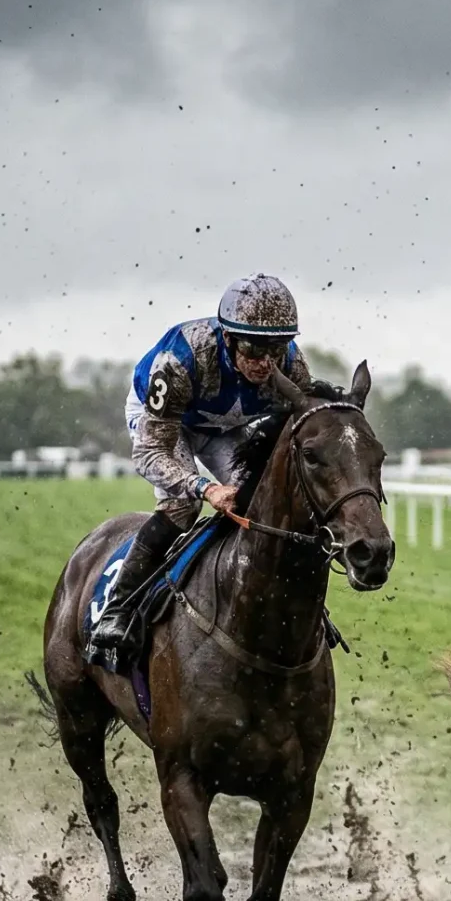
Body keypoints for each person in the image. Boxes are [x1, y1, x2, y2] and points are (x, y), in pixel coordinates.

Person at [86, 273, 343, 664]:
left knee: (262, 503)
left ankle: (303, 610)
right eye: (254, 350)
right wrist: (205, 489)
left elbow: (303, 425)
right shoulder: (180, 361)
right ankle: (119, 608)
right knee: (182, 508)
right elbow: (150, 454)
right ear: (227, 338)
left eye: (276, 348)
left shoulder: (290, 365)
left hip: (225, 426)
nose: (266, 363)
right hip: (165, 423)